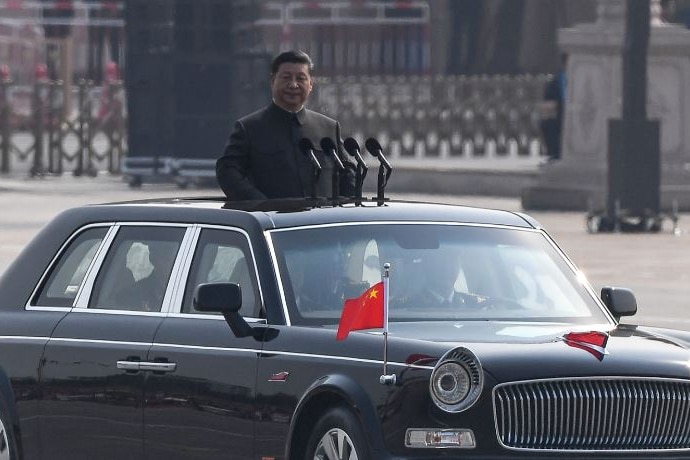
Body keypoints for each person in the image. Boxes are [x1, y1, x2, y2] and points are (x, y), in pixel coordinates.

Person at [216, 50, 355, 200]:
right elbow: (227, 171)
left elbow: (347, 174)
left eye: (300, 78)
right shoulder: (249, 128)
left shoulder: (328, 128)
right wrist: (261, 204)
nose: (293, 85)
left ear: (311, 85)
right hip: (274, 221)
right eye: (286, 77)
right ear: (272, 80)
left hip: (321, 221)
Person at [539, 54, 567, 162]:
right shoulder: (554, 84)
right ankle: (555, 153)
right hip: (558, 117)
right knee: (548, 124)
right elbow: (548, 106)